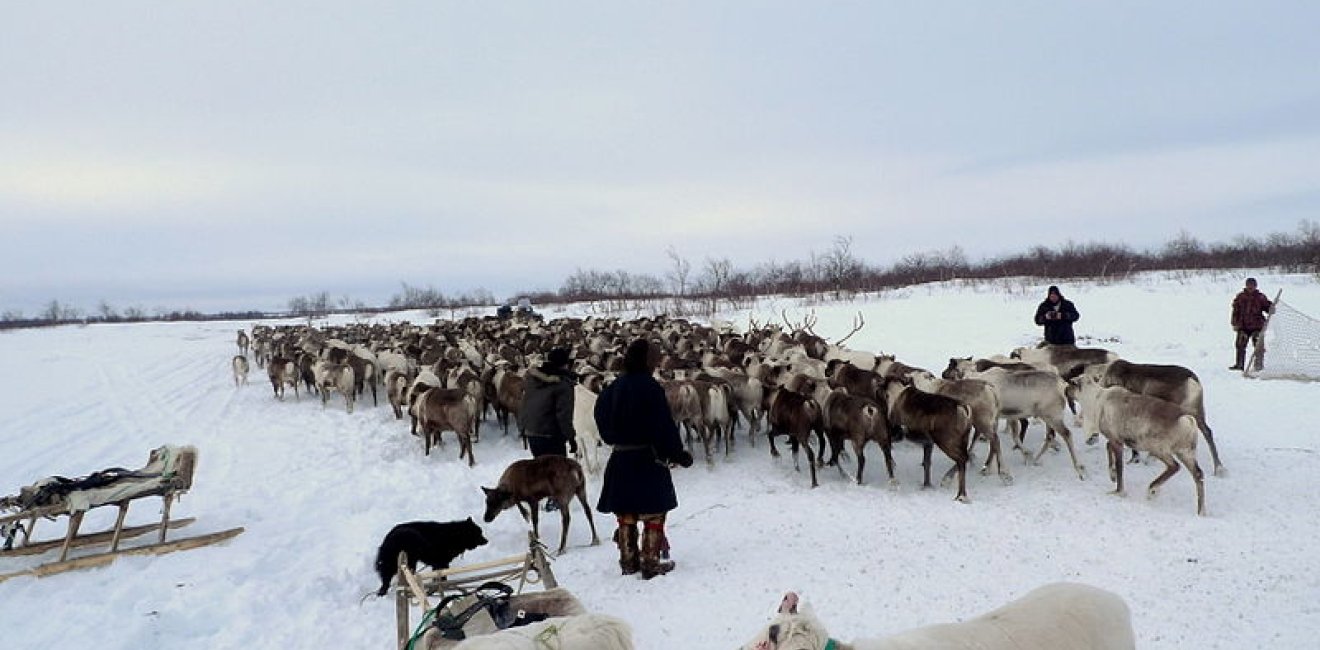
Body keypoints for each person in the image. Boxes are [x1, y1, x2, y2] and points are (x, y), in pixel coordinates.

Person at [593, 338, 693, 579]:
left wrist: (613, 437)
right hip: (647, 459)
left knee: (625, 513)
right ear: (647, 361)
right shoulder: (650, 388)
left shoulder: (612, 388)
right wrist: (678, 454)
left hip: (620, 458)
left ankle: (628, 561)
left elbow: (600, 415)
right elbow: (663, 427)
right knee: (654, 513)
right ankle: (650, 562)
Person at [520, 347, 578, 512]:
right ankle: (555, 499)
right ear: (566, 364)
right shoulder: (563, 385)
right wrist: (571, 437)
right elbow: (563, 415)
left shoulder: (533, 378)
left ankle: (536, 495)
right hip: (550, 433)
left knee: (540, 465)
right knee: (558, 469)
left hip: (532, 430)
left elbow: (526, 402)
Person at [1229, 277, 1272, 371]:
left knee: (1258, 346)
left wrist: (1271, 307)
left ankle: (1258, 365)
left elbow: (1268, 308)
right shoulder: (1240, 297)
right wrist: (1234, 323)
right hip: (1243, 326)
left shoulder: (1260, 297)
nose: (1250, 287)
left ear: (1255, 286)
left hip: (1257, 326)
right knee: (1240, 345)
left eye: (1252, 286)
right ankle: (1239, 365)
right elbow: (1235, 311)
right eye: (1248, 285)